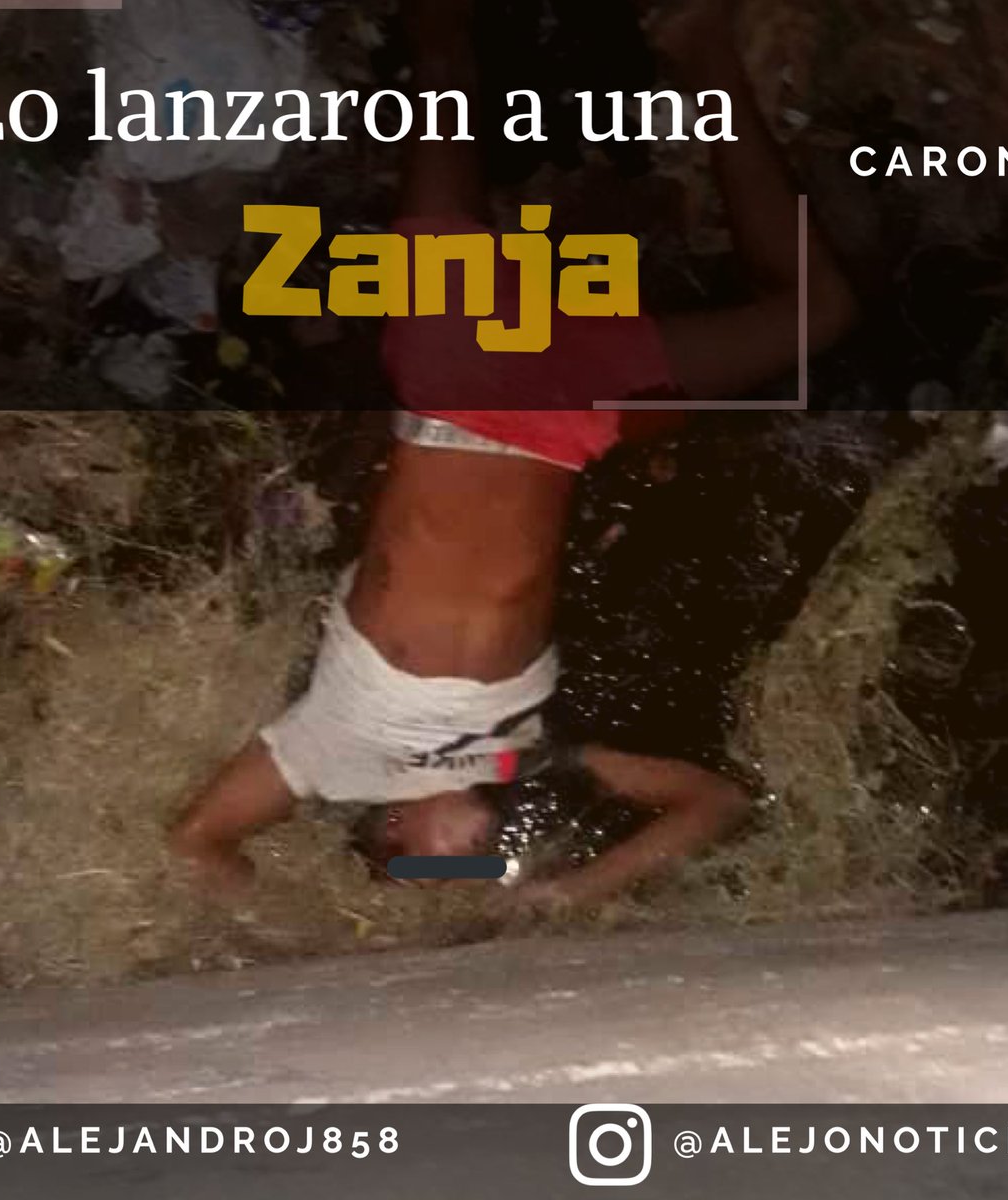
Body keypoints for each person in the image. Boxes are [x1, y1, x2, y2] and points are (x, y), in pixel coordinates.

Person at [169, 0, 857, 909]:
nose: (471, 859)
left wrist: (272, 937)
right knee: (819, 314)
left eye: (435, 867)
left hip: (457, 381)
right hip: (576, 418)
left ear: (392, 830)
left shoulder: (332, 755)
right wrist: (568, 893)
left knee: (444, 74)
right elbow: (713, 802)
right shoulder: (516, 756)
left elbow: (198, 841)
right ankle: (700, 47)